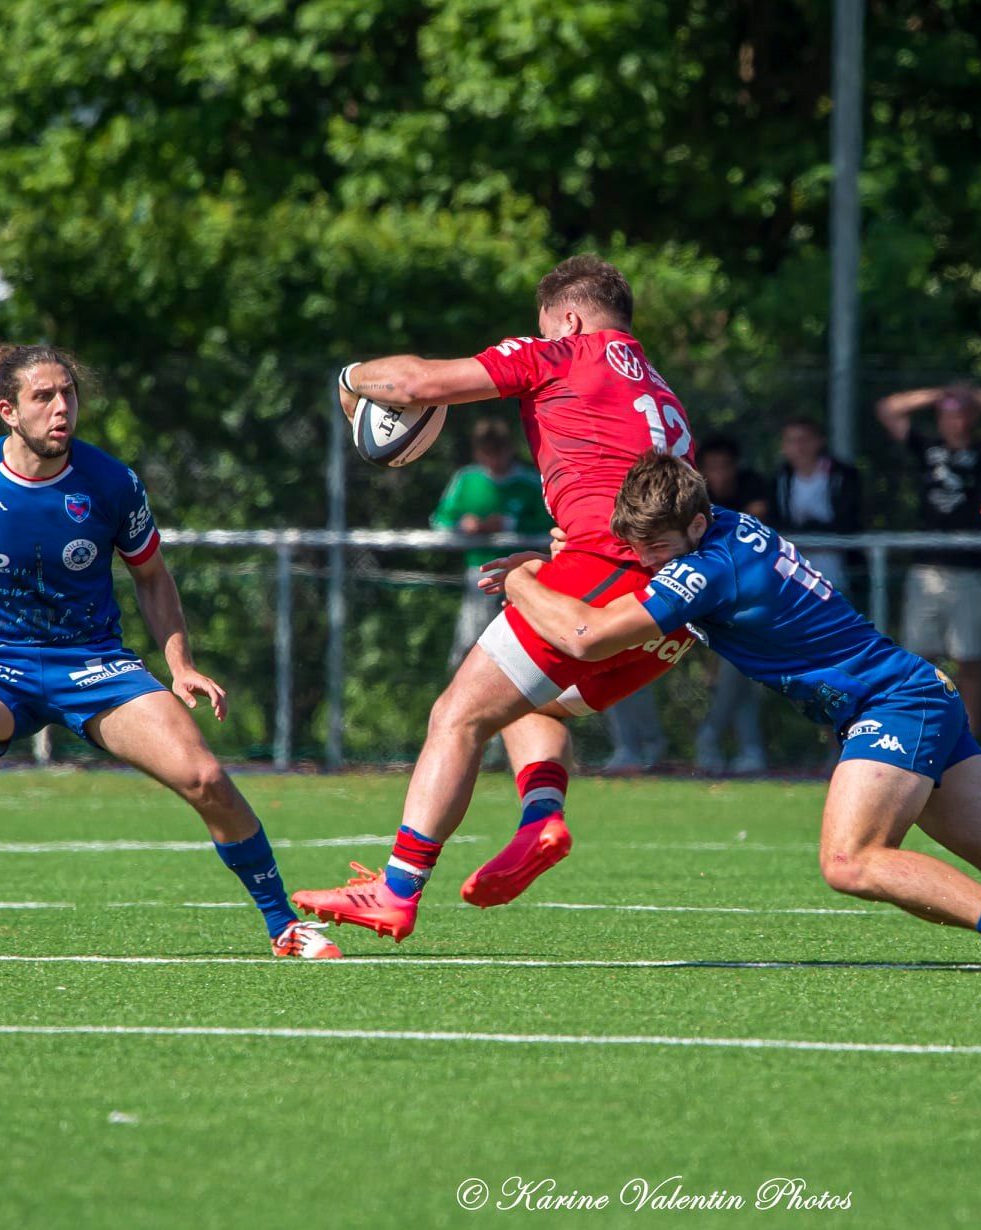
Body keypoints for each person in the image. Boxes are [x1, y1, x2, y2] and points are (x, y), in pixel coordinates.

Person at [482, 450, 981, 974]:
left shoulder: (704, 570)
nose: (646, 564)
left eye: (655, 550)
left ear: (693, 528)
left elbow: (587, 638)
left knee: (851, 857)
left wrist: (521, 579)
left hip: (893, 704)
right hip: (915, 691)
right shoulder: (726, 531)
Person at [0, 344, 339, 960]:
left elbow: (153, 577)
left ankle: (283, 924)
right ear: (8, 410)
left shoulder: (110, 482)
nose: (62, 408)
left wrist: (180, 663)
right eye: (44, 397)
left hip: (95, 667)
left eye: (69, 394)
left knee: (206, 776)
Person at [292, 255, 702, 938]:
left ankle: (396, 890)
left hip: (607, 572)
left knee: (456, 716)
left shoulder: (562, 352)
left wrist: (348, 378)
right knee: (530, 700)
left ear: (566, 318)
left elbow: (414, 383)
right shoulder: (656, 386)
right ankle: (540, 821)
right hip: (676, 602)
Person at [875, 382, 981, 738]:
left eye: (963, 413)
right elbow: (888, 408)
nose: (957, 422)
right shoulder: (927, 447)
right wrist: (935, 394)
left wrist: (979, 397)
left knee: (970, 661)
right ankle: (917, 733)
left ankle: (968, 741)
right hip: (926, 570)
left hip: (971, 571)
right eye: (949, 414)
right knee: (919, 658)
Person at [431, 418, 552, 667]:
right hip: (480, 574)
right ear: (477, 453)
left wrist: (509, 524)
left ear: (510, 450)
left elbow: (549, 525)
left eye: (499, 452)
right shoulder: (466, 480)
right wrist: (462, 525)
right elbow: (440, 519)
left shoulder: (529, 482)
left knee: (524, 644)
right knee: (470, 639)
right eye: (487, 453)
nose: (495, 460)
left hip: (524, 573)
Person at [693, 434, 770, 774]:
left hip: (751, 592)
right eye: (711, 469)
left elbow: (752, 525)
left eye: (724, 468)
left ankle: (712, 739)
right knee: (734, 674)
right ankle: (747, 749)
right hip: (707, 594)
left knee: (737, 671)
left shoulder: (753, 486)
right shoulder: (692, 496)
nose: (718, 476)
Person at [769, 416, 860, 592]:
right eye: (791, 441)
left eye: (804, 440)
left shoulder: (841, 475)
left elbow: (850, 519)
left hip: (837, 572)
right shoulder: (780, 479)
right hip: (793, 574)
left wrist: (816, 529)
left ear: (819, 442)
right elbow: (775, 521)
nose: (799, 447)